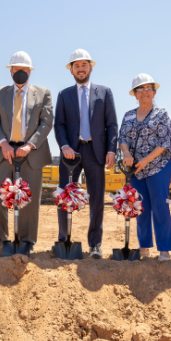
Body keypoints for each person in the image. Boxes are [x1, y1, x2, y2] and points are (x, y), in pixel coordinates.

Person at [0, 52, 53, 254]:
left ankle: (27, 241)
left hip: (31, 153)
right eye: (16, 69)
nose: (20, 72)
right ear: (10, 71)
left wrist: (30, 145)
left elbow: (47, 122)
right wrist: (3, 143)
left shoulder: (43, 93)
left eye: (24, 69)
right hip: (2, 152)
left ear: (30, 71)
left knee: (29, 199)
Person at [53, 49, 118, 259]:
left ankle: (95, 244)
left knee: (97, 199)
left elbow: (112, 124)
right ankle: (64, 240)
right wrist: (64, 146)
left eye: (84, 65)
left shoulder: (105, 92)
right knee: (64, 195)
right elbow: (59, 124)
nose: (80, 69)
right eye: (76, 66)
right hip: (71, 152)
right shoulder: (64, 95)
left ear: (90, 67)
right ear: (71, 70)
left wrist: (111, 149)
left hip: (96, 152)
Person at [118, 74, 171, 261]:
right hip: (136, 169)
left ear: (154, 92)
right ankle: (144, 247)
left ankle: (164, 249)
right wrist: (126, 154)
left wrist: (146, 160)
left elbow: (166, 141)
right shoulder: (128, 116)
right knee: (140, 207)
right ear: (135, 94)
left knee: (160, 206)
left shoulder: (161, 114)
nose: (145, 92)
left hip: (158, 166)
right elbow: (123, 139)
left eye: (148, 89)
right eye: (140, 90)